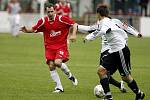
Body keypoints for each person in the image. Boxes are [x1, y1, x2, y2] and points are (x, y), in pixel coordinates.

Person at [78, 5, 145, 100]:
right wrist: (136, 33)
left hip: (120, 50)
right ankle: (108, 96)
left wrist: (88, 38)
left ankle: (139, 94)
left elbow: (102, 31)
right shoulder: (111, 21)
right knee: (101, 71)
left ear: (98, 14)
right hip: (113, 51)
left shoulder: (103, 23)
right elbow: (126, 26)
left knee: (125, 77)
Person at [20, 3, 78, 93]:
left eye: (51, 11)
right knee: (51, 66)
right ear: (46, 12)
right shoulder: (43, 21)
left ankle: (69, 75)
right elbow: (34, 29)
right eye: (48, 12)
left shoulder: (61, 19)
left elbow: (74, 24)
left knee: (58, 62)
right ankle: (59, 87)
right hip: (49, 47)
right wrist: (26, 30)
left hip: (61, 46)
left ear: (55, 11)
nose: (50, 13)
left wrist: (74, 35)